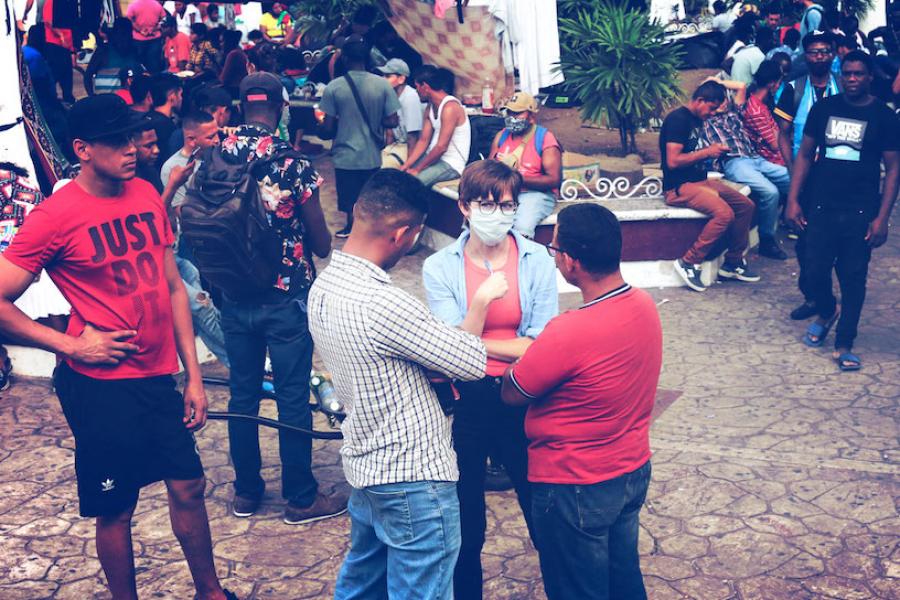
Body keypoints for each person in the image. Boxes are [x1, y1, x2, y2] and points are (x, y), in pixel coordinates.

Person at [0, 94, 237, 600]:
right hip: (99, 387)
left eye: (133, 136)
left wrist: (191, 375)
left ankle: (211, 593)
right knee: (116, 507)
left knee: (189, 487)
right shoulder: (54, 216)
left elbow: (173, 285)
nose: (131, 148)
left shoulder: (147, 193)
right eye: (117, 140)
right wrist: (70, 346)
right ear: (83, 149)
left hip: (157, 378)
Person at [307, 169, 488, 600]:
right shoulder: (383, 302)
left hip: (368, 470)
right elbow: (471, 360)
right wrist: (480, 302)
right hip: (415, 478)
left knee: (360, 587)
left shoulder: (324, 285)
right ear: (404, 233)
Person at [501, 203, 662, 600]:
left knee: (578, 588)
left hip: (574, 482)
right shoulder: (644, 306)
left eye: (555, 250)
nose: (554, 257)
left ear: (571, 262)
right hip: (630, 469)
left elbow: (513, 392)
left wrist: (515, 360)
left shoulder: (569, 330)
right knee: (623, 579)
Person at [422, 160, 558, 599]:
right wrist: (480, 303)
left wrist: (473, 339)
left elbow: (539, 344)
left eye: (507, 205)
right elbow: (450, 351)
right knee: (466, 519)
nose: (498, 213)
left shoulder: (535, 259)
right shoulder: (441, 266)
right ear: (464, 206)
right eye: (486, 204)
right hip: (470, 398)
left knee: (540, 508)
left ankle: (565, 586)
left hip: (521, 394)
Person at [210, 72, 336, 524]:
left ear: (241, 107)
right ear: (282, 107)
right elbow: (320, 243)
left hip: (231, 295)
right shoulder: (293, 164)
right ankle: (300, 497)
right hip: (284, 297)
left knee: (242, 395)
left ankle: (247, 492)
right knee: (291, 395)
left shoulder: (213, 154)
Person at [785, 51, 900, 371]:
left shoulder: (884, 117)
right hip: (820, 205)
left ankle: (844, 342)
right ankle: (826, 310)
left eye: (858, 74)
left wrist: (882, 218)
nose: (852, 79)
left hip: (860, 210)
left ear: (869, 78)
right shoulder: (825, 109)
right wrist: (793, 199)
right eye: (847, 74)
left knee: (853, 278)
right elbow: (805, 155)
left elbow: (892, 169)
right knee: (813, 270)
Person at [660, 81, 759, 292]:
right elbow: (673, 161)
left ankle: (732, 262)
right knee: (724, 214)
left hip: (699, 180)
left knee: (746, 205)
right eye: (712, 108)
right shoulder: (678, 120)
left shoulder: (697, 119)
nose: (713, 113)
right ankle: (688, 262)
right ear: (699, 101)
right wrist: (708, 152)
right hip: (678, 186)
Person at [774, 31, 841, 319]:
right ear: (806, 55)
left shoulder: (845, 84)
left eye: (825, 51)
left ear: (833, 54)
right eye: (814, 52)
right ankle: (813, 297)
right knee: (805, 240)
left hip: (841, 174)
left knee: (839, 238)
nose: (820, 56)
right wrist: (793, 171)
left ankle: (835, 297)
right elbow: (783, 134)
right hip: (807, 175)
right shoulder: (793, 89)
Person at [700, 76, 790, 260]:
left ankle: (798, 223)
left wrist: (717, 83)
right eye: (719, 99)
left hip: (756, 158)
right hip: (734, 162)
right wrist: (707, 84)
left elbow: (741, 86)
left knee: (794, 179)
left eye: (724, 98)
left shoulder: (734, 112)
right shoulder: (705, 118)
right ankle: (767, 240)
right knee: (770, 192)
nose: (724, 102)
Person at [318, 40, 401, 237]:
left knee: (348, 196)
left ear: (345, 58)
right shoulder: (382, 85)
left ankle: (351, 227)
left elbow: (327, 129)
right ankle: (370, 228)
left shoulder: (334, 87)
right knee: (369, 193)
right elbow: (392, 121)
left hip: (345, 154)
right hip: (371, 153)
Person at [489, 92, 563, 237]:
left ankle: (522, 257)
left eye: (517, 113)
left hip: (536, 194)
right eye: (509, 112)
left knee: (522, 227)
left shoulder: (545, 139)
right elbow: (489, 166)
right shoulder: (502, 135)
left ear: (531, 117)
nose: (512, 117)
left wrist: (516, 178)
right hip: (505, 191)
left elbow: (553, 180)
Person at [402, 65, 471, 188]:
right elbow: (423, 141)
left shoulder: (450, 107)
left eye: (417, 87)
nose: (416, 91)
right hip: (435, 159)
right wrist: (406, 165)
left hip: (451, 164)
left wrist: (418, 169)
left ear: (425, 87)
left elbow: (441, 147)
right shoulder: (430, 107)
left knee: (412, 184)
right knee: (402, 177)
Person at [378, 58, 425, 169]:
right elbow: (390, 133)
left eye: (388, 76)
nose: (383, 79)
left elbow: (413, 136)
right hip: (399, 145)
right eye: (383, 75)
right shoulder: (390, 96)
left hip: (412, 147)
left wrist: (409, 166)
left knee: (383, 167)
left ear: (401, 79)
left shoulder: (410, 97)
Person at [84, 19, 143, 96]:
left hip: (128, 102)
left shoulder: (135, 50)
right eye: (121, 34)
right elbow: (88, 75)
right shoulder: (103, 50)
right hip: (106, 101)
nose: (123, 37)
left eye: (126, 34)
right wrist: (92, 96)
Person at [40, 0, 77, 103]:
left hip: (66, 46)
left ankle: (68, 100)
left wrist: (73, 50)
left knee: (67, 78)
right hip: (54, 44)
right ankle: (49, 99)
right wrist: (60, 35)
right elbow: (48, 20)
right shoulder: (51, 2)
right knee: (55, 74)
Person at [147, 72, 184, 168]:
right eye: (180, 94)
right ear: (172, 96)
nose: (181, 99)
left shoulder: (145, 120)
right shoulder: (167, 128)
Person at [127, 0, 167, 73]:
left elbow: (129, 20)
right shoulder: (157, 4)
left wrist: (140, 30)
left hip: (138, 38)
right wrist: (154, 28)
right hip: (155, 37)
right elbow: (164, 19)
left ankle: (142, 80)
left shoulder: (133, 5)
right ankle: (154, 81)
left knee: (140, 63)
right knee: (154, 63)